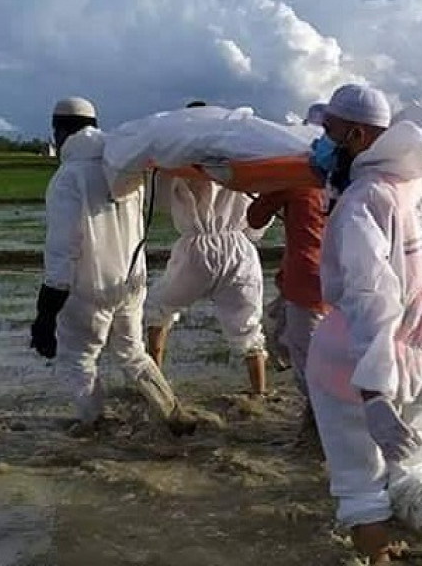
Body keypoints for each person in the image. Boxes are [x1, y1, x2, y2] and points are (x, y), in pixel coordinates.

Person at [305, 84, 422, 565]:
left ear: (357, 135)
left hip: (359, 362)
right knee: (415, 475)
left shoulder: (366, 199)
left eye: (328, 132)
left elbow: (369, 297)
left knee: (360, 488)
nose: (320, 143)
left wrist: (374, 391)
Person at [29, 97, 196, 436]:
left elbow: (63, 249)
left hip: (86, 288)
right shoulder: (123, 168)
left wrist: (45, 315)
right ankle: (172, 414)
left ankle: (96, 425)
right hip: (131, 283)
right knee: (133, 353)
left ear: (59, 131)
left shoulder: (69, 177)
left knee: (78, 360)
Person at [145, 102, 269, 396]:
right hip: (240, 248)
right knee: (248, 327)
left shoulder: (179, 155)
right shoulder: (240, 156)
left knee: (157, 308)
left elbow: (160, 201)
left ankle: (155, 380)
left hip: (198, 247)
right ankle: (260, 394)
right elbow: (256, 207)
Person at [246, 155, 329, 406]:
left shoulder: (294, 180)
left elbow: (255, 218)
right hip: (339, 279)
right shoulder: (346, 179)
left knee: (309, 368)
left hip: (305, 281)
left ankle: (318, 429)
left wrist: (273, 185)